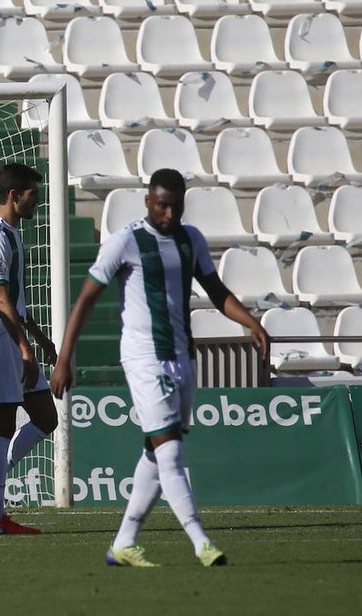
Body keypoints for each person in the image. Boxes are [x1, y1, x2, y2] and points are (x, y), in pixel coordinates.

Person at [50, 168, 269, 567]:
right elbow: (84, 300)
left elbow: (216, 291)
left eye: (176, 205)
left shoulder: (192, 240)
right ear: (148, 202)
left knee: (156, 451)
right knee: (170, 452)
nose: (169, 213)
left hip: (183, 358)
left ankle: (124, 543)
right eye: (162, 205)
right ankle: (201, 542)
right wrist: (64, 359)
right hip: (143, 356)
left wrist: (251, 323)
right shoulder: (126, 242)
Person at [0, 162, 59, 535]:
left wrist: (39, 338)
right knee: (0, 427)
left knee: (45, 417)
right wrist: (25, 349)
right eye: (33, 195)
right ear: (15, 196)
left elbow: (15, 303)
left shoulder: (12, 234)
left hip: (13, 338)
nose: (38, 201)